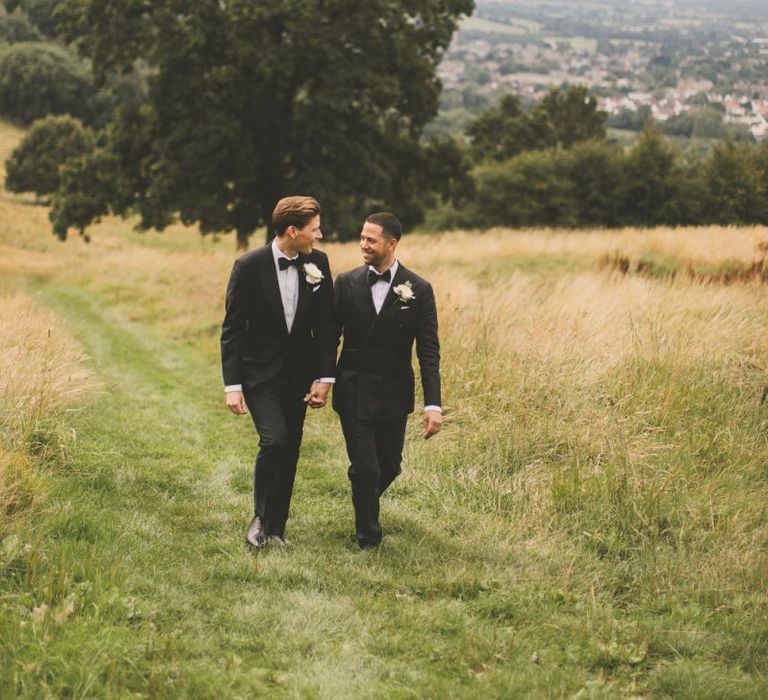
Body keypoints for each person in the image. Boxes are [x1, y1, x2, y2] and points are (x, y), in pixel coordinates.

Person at [221, 196, 335, 549]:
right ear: (292, 230)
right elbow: (233, 329)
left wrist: (323, 377)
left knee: (292, 448)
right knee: (276, 441)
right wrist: (233, 385)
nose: (319, 235)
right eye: (314, 229)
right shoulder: (248, 266)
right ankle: (259, 518)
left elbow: (327, 326)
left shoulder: (318, 262)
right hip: (259, 375)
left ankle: (277, 527)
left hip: (299, 375)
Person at [332, 212, 442, 549]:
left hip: (394, 393)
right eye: (362, 237)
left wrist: (433, 404)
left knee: (389, 467)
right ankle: (369, 537)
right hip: (353, 388)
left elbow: (428, 351)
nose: (363, 244)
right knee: (366, 468)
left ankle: (363, 495)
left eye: (371, 239)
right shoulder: (345, 282)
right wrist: (320, 379)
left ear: (391, 244)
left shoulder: (419, 289)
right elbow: (328, 338)